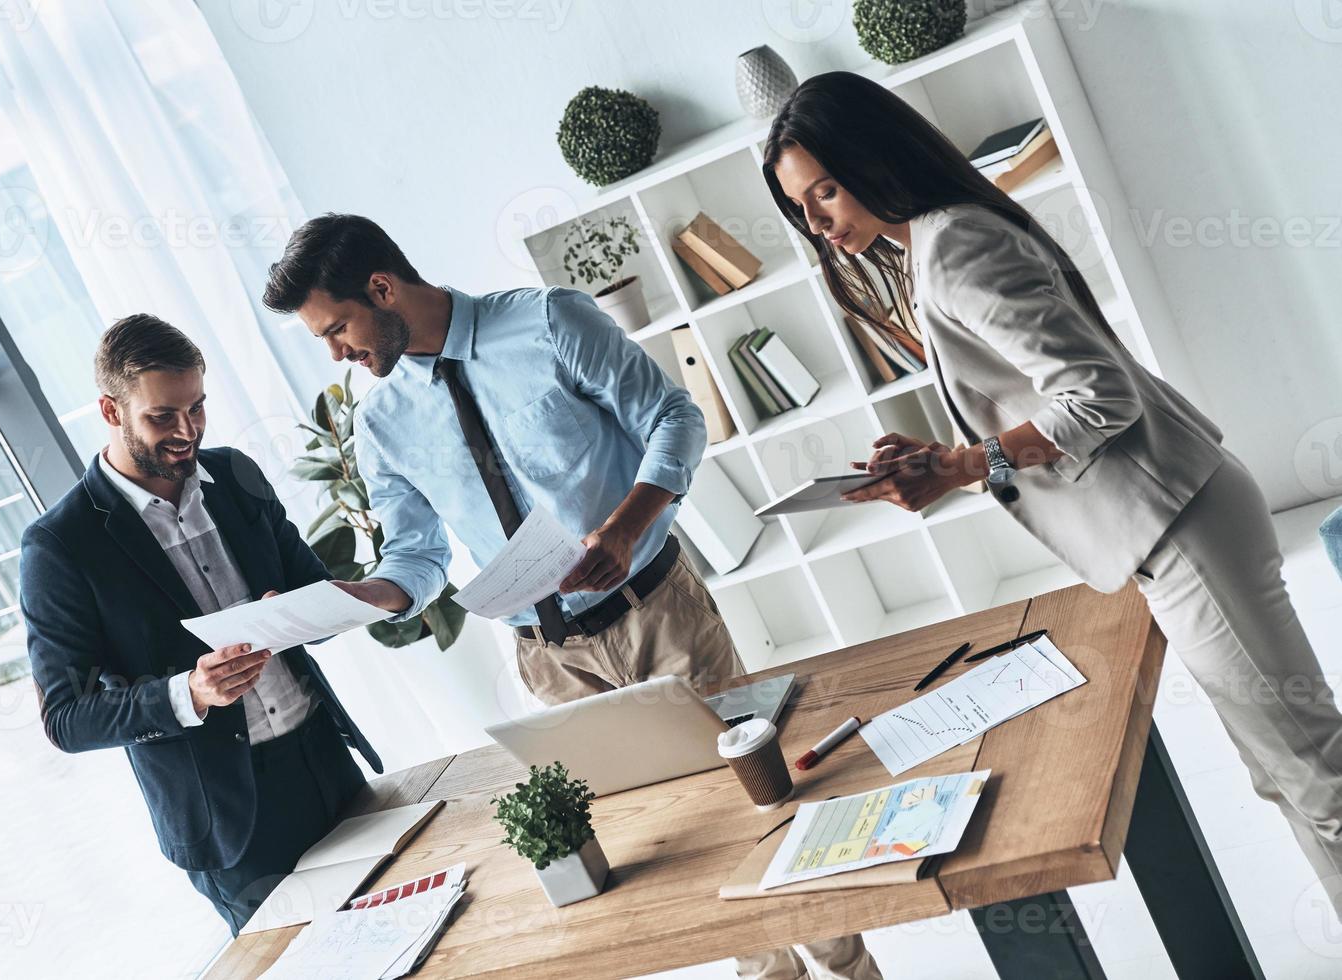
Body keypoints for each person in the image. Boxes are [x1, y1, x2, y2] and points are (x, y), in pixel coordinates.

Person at [763, 70, 1342, 919]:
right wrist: (954, 462)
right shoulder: (935, 245)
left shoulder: (955, 245)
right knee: (1286, 774)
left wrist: (963, 465)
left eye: (826, 190)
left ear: (873, 159)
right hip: (1170, 523)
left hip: (1181, 526)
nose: (817, 222)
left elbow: (1099, 396)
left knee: (1314, 776)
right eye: (799, 208)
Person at [261, 214, 882, 979]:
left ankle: (849, 968)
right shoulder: (383, 421)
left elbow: (673, 416)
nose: (336, 352)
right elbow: (416, 556)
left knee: (763, 811)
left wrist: (624, 527)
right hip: (551, 665)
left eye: (338, 328)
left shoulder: (549, 321)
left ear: (382, 288)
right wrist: (365, 595)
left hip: (658, 616)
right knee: (684, 846)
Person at [19, 314, 383, 935]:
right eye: (163, 417)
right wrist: (188, 694)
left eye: (198, 408)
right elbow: (66, 718)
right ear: (111, 410)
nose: (187, 432)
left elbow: (312, 587)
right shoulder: (60, 546)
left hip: (326, 760)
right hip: (229, 820)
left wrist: (300, 610)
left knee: (416, 925)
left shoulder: (236, 474)